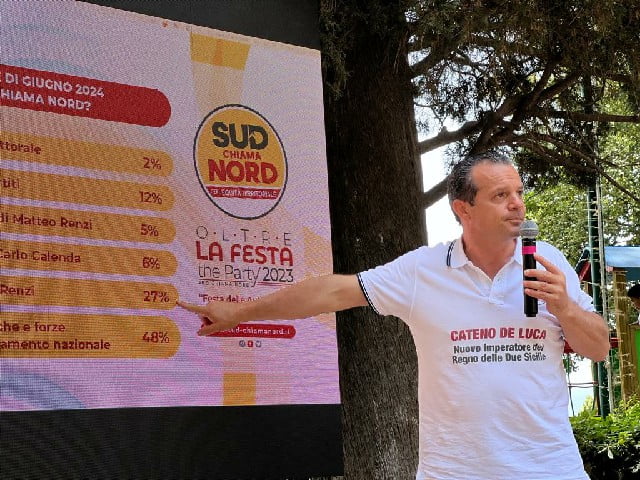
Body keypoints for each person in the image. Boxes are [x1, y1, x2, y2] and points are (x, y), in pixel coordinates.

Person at [178, 151, 610, 480]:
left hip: (549, 468)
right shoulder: (424, 270)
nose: (517, 205)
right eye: (501, 195)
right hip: (454, 471)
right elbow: (333, 291)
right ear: (463, 209)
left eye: (518, 193)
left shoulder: (549, 264)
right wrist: (241, 312)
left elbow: (599, 348)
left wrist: (565, 307)